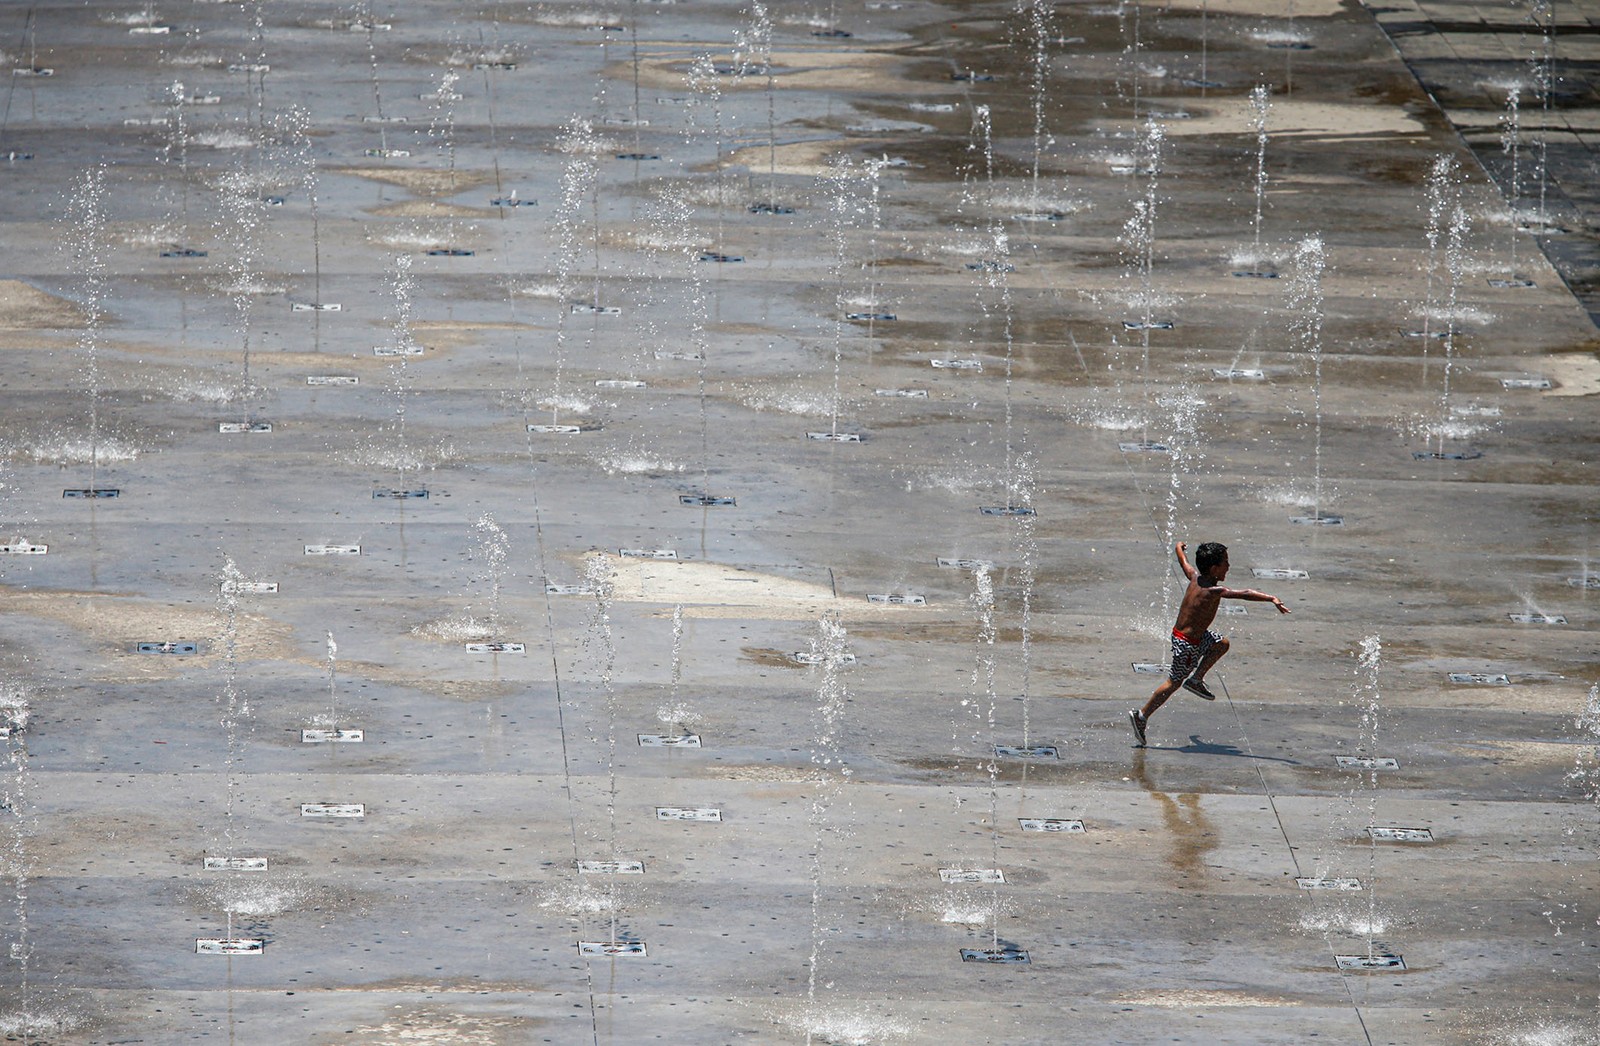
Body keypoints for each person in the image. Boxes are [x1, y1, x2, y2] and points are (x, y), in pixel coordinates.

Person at [1129, 541, 1289, 746]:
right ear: (1214, 568)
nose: (1229, 567)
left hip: (1194, 637)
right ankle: (1141, 716)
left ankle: (1196, 680)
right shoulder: (1215, 590)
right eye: (1225, 563)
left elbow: (1183, 562)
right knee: (1173, 682)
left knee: (1221, 643)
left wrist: (1178, 547)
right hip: (1186, 644)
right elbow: (1245, 593)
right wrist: (1271, 598)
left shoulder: (1195, 577)